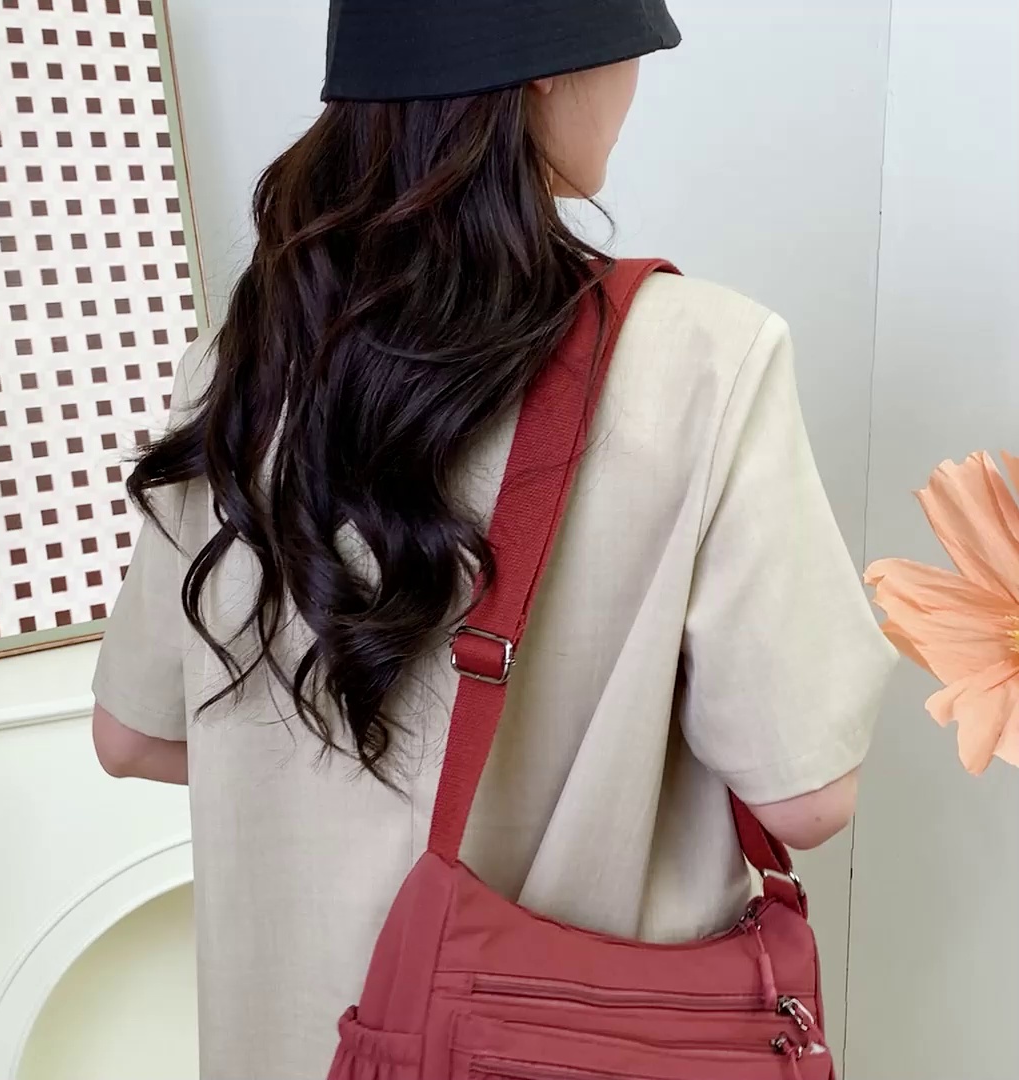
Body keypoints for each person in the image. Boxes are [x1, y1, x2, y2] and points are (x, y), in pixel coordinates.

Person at [91, 2, 897, 1076]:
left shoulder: (244, 362)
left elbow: (132, 738)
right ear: (548, 70)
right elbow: (809, 795)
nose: (634, 86)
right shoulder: (703, 359)